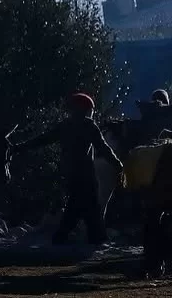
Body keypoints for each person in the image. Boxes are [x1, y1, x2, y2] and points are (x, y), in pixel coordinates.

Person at [13, 92, 123, 245]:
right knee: (83, 208)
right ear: (85, 109)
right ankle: (69, 238)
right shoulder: (89, 125)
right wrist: (118, 164)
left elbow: (42, 139)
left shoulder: (65, 125)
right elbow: (103, 148)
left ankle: (93, 238)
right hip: (86, 174)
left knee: (85, 207)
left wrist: (19, 147)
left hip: (70, 173)